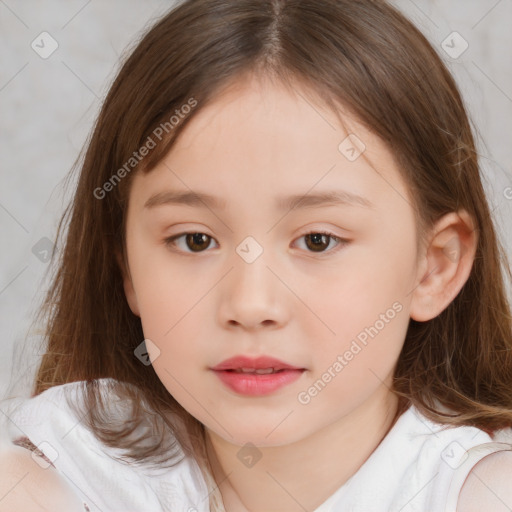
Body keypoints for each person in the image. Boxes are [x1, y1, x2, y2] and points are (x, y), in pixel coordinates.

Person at [1, 0, 512, 510]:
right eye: (194, 240)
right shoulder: (54, 485)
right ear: (126, 267)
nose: (250, 304)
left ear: (434, 267)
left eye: (318, 240)